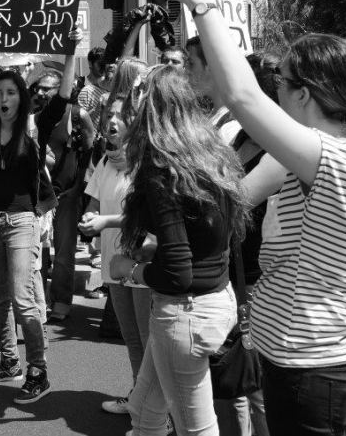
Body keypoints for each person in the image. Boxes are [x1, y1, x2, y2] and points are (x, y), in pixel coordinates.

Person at [149, 0, 346, 436]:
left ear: (303, 94)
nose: (272, 88)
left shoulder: (333, 158)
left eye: (280, 81)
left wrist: (202, 1)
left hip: (315, 368)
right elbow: (228, 195)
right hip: (298, 359)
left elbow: (240, 95)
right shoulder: (311, 157)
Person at [109, 64, 246, 436]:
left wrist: (130, 270)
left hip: (186, 312)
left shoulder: (161, 169)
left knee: (195, 430)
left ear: (148, 107)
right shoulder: (210, 153)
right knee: (144, 411)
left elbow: (177, 272)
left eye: (136, 97)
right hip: (214, 301)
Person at [0, 28, 80, 404]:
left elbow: (65, 96)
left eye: (10, 93)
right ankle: (9, 362)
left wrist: (70, 51)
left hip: (22, 222)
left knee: (24, 299)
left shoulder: (36, 126)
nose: (3, 98)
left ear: (20, 98)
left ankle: (37, 369)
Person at [78, 58, 151, 415]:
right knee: (133, 340)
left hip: (140, 262)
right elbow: (93, 199)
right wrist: (89, 217)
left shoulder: (147, 163)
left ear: (136, 122)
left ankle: (159, 410)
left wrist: (104, 221)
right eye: (108, 117)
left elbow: (147, 216)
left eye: (120, 116)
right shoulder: (106, 161)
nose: (110, 122)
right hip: (112, 259)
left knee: (150, 341)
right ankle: (140, 399)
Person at [33, 68, 95, 322]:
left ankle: (61, 300)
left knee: (64, 252)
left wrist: (79, 188)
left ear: (62, 89)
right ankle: (40, 301)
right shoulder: (34, 118)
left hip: (69, 194)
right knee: (40, 252)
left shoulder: (78, 115)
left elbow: (89, 151)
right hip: (41, 194)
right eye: (38, 87)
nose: (39, 92)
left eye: (46, 88)